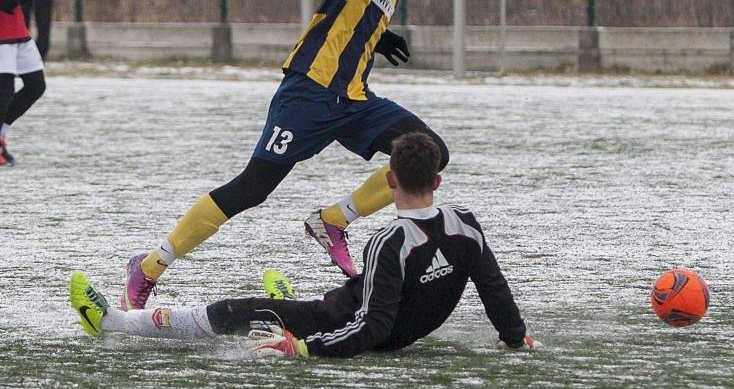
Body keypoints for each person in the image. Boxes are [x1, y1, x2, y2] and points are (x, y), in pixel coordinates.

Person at [119, 0, 473, 310]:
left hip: (356, 98)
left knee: (429, 153)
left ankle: (333, 221)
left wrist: (376, 33)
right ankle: (149, 267)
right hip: (309, 90)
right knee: (252, 188)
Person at [71, 132, 542, 358]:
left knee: (237, 311)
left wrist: (304, 348)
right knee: (335, 297)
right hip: (379, 314)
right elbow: (494, 290)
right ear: (438, 180)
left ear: (390, 178)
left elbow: (373, 327)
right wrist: (515, 335)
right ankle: (286, 303)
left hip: (343, 323)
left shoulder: (389, 240)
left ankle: (115, 321)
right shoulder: (466, 224)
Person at [0, 0, 46, 167]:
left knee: (36, 85)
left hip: (18, 30)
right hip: (0, 36)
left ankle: (2, 133)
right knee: (4, 90)